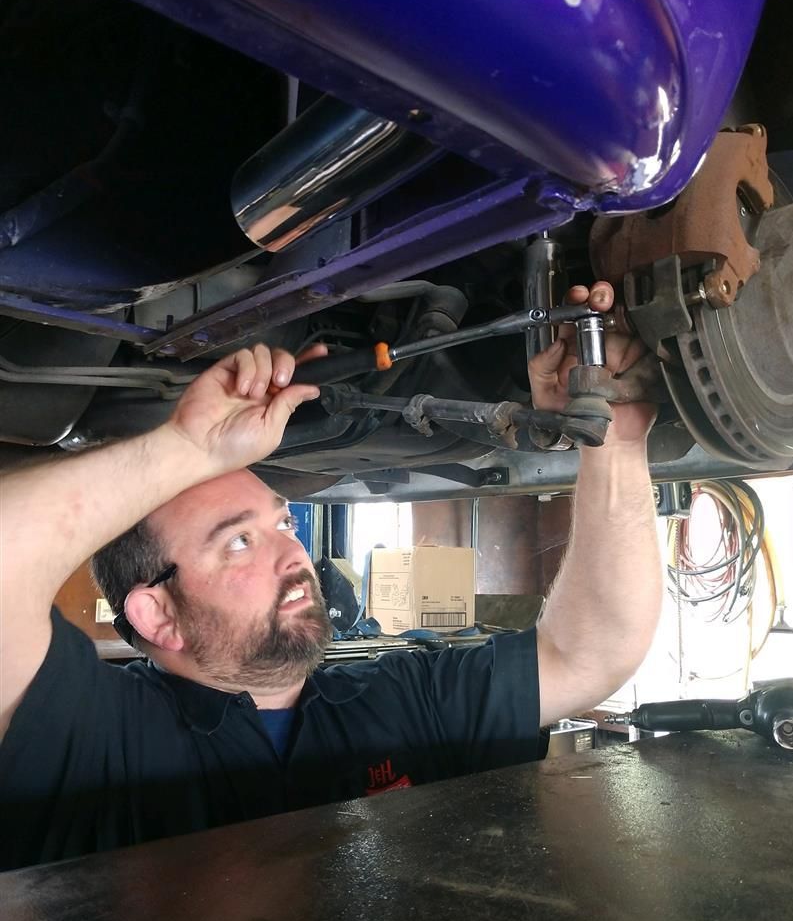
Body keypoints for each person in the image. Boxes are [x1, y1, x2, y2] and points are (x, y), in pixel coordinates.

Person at [0, 283, 662, 870]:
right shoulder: (89, 735)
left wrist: (621, 444)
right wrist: (185, 449)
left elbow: (590, 654)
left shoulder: (401, 697)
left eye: (283, 524)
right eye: (238, 541)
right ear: (155, 615)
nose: (292, 555)